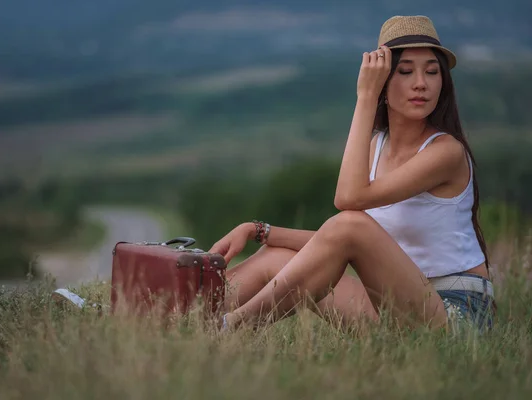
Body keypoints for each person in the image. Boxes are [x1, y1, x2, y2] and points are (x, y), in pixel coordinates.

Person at [210, 15, 496, 333]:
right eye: (406, 71)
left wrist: (365, 97)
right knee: (274, 256)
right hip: (397, 303)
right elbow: (337, 240)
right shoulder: (377, 146)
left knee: (351, 222)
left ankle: (231, 329)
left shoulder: (445, 152)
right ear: (385, 79)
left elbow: (348, 201)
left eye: (432, 72)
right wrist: (257, 230)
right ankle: (183, 316)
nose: (421, 83)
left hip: (455, 316)